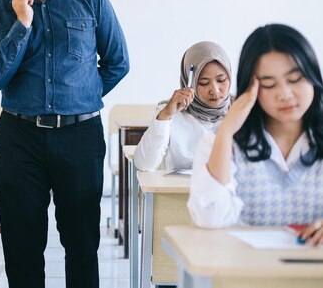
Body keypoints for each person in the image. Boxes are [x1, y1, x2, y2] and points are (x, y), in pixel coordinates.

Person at [0, 0, 129, 288]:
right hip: (18, 136)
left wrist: (78, 98)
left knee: (81, 245)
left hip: (80, 137)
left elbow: (117, 63)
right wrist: (21, 24)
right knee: (21, 245)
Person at [188, 24, 323, 245]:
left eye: (295, 79)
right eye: (269, 84)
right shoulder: (222, 139)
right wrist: (226, 132)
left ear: (312, 75)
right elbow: (210, 219)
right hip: (248, 274)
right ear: (250, 88)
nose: (285, 94)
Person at [135, 41, 232, 171]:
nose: (214, 90)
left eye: (221, 80)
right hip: (180, 191)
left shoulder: (241, 110)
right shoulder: (171, 112)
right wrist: (165, 116)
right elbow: (144, 165)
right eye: (203, 83)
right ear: (189, 81)